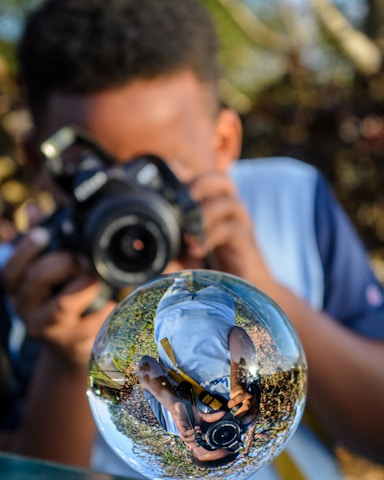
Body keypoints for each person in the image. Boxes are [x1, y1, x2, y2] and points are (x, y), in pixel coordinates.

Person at [0, 0, 383, 479]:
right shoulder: (22, 284)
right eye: (92, 173)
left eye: (163, 171)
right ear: (39, 163)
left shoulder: (287, 202)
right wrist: (63, 362)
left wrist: (265, 288)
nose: (134, 205)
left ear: (223, 143)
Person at [137, 278, 259, 468]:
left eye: (205, 444)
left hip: (170, 310)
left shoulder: (170, 423)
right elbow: (238, 334)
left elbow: (145, 364)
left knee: (181, 266)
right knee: (210, 261)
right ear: (232, 433)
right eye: (220, 438)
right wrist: (239, 384)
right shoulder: (240, 408)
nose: (211, 433)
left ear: (188, 445)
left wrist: (174, 405)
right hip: (217, 304)